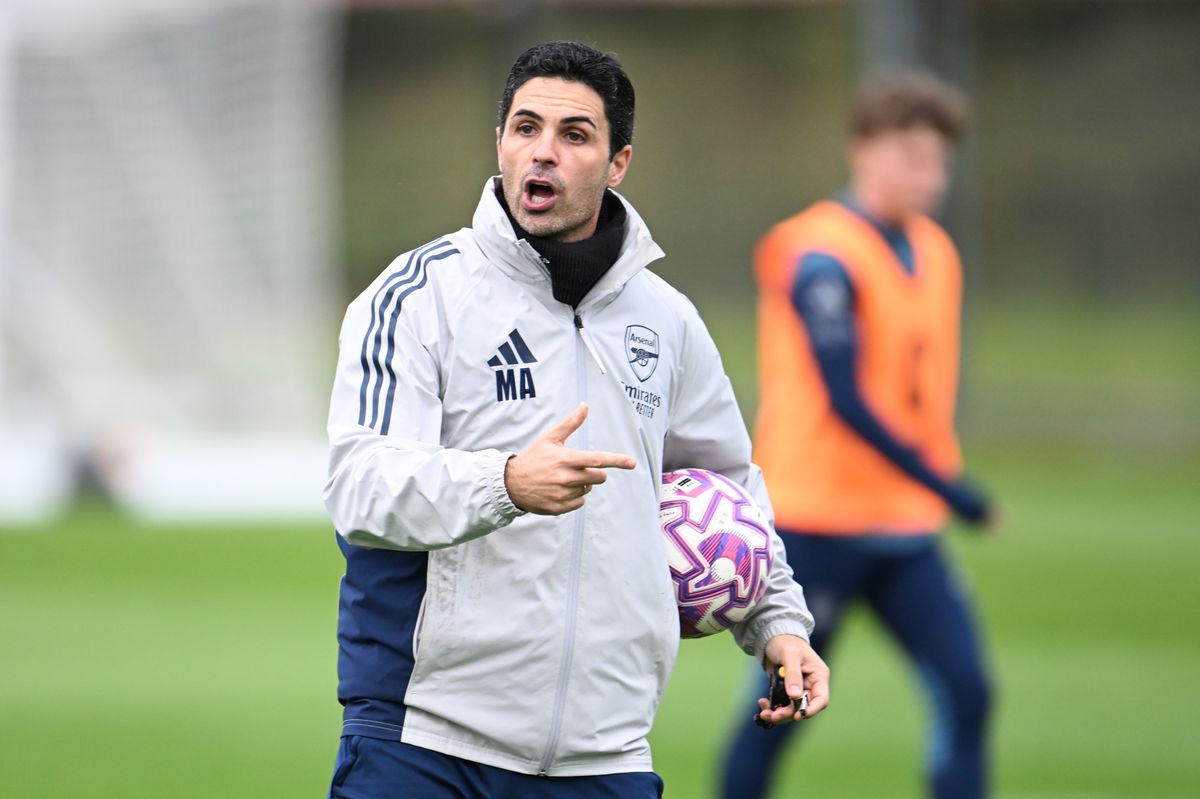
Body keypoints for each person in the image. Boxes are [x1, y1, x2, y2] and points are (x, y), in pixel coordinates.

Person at [322, 41, 829, 799]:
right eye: (525, 128)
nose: (543, 153)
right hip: (423, 739)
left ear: (618, 162)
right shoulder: (418, 295)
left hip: (606, 752)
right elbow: (359, 486)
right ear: (499, 142)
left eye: (574, 135)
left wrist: (778, 623)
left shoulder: (668, 320)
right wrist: (506, 481)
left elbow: (723, 484)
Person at [719, 73, 997, 799]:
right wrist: (954, 490)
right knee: (784, 707)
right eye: (911, 157)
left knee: (969, 692)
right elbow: (845, 399)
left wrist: (932, 489)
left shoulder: (935, 251)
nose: (930, 177)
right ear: (863, 151)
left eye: (938, 161)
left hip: (905, 525)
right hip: (817, 521)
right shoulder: (820, 255)